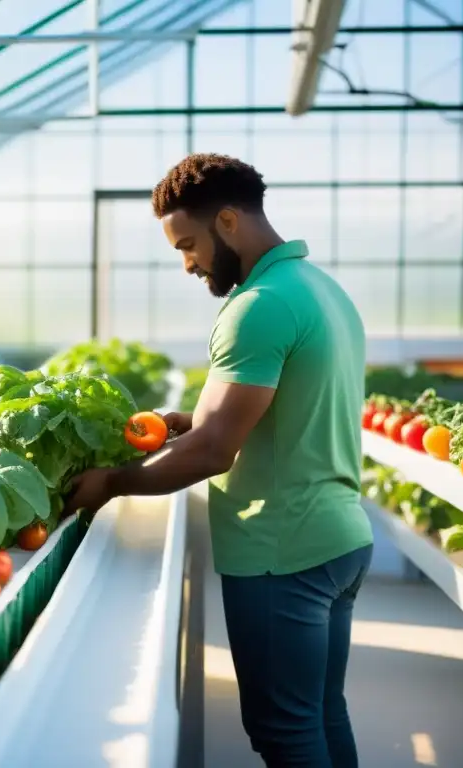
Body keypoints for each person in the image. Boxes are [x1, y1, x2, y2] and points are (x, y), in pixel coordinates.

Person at [63, 153, 374, 768]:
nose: (187, 264)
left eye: (188, 245)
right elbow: (264, 414)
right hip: (337, 539)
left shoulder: (257, 306)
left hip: (281, 552)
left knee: (283, 731)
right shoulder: (318, 288)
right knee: (321, 713)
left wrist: (112, 483)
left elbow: (213, 451)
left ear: (227, 220)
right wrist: (186, 424)